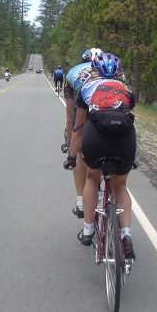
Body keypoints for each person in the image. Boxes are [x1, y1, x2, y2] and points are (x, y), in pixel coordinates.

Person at [64, 52, 136, 260]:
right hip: (124, 142)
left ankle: (87, 231)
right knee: (120, 186)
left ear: (94, 70)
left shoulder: (86, 88)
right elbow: (131, 121)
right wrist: (134, 156)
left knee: (92, 178)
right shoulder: (127, 90)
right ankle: (126, 235)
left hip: (96, 140)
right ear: (118, 72)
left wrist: (72, 156)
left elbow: (78, 129)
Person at [62, 48, 103, 218]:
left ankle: (81, 202)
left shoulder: (73, 73)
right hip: (114, 123)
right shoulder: (112, 69)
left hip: (85, 120)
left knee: (79, 154)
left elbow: (70, 116)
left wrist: (70, 142)